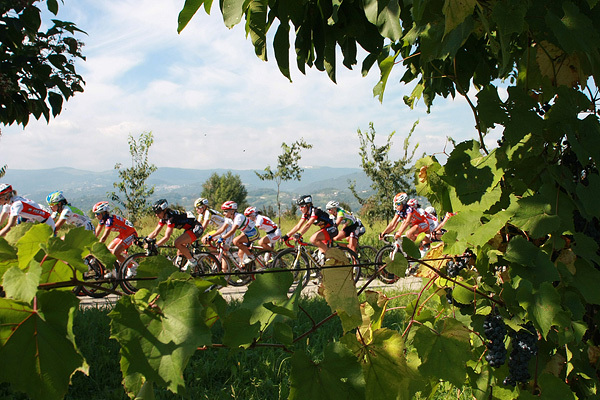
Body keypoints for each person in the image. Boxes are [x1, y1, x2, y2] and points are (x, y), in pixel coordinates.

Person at [147, 199, 205, 271]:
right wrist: (146, 239)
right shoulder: (164, 217)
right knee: (180, 251)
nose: (156, 215)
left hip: (196, 228)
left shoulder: (171, 218)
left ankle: (192, 261)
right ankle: (181, 270)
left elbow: (167, 237)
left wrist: (156, 245)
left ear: (164, 210)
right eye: (155, 212)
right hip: (189, 229)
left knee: (177, 243)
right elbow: (155, 232)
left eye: (158, 212)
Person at [282, 194, 337, 261]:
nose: (300, 209)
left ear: (308, 205)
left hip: (332, 229)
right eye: (299, 206)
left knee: (313, 239)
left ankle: (333, 256)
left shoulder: (315, 211)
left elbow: (308, 224)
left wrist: (299, 234)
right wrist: (287, 235)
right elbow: (298, 226)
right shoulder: (306, 214)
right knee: (321, 257)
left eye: (302, 206)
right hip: (324, 229)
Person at [92, 201, 137, 267]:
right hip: (123, 234)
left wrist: (96, 247)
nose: (96, 216)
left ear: (104, 213)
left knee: (115, 253)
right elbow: (95, 234)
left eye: (98, 214)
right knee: (108, 252)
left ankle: (132, 268)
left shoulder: (110, 221)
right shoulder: (103, 220)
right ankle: (115, 270)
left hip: (131, 234)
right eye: (95, 214)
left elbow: (104, 237)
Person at [213, 201, 258, 266]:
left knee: (236, 241)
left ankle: (251, 256)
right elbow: (222, 229)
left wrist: (222, 238)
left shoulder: (238, 217)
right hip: (246, 232)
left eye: (226, 211)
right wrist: (211, 236)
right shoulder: (229, 218)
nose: (223, 213)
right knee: (240, 254)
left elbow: (232, 230)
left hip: (253, 232)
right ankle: (245, 270)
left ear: (232, 211)